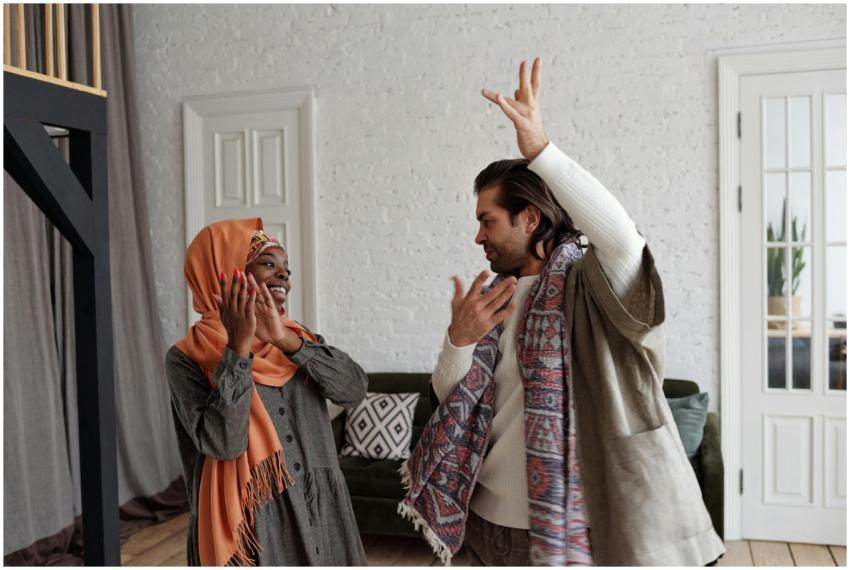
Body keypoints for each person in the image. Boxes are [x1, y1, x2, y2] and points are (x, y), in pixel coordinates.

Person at [399, 58, 725, 566]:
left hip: (571, 529)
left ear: (530, 218)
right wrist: (458, 339)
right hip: (481, 525)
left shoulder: (595, 286)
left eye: (488, 220)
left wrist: (542, 152)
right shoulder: (493, 298)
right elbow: (450, 398)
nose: (478, 236)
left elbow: (624, 240)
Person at [165, 218, 368, 566]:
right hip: (252, 525)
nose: (284, 275)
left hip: (322, 512)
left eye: (286, 267)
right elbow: (224, 443)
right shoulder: (186, 357)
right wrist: (238, 349)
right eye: (268, 263)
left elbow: (354, 390)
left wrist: (285, 341)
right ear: (226, 271)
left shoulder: (298, 337)